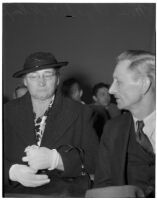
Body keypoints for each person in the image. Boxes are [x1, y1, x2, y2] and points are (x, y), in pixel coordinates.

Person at [4, 52, 98, 196]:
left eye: (48, 75)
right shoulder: (5, 112)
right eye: (33, 76)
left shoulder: (81, 112)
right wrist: (10, 171)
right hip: (12, 192)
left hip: (63, 193)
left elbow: (95, 160)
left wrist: (58, 160)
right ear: (25, 81)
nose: (41, 82)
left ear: (58, 79)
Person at [87, 50, 155, 197]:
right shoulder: (113, 129)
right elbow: (102, 186)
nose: (111, 90)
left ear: (144, 84)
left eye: (119, 81)